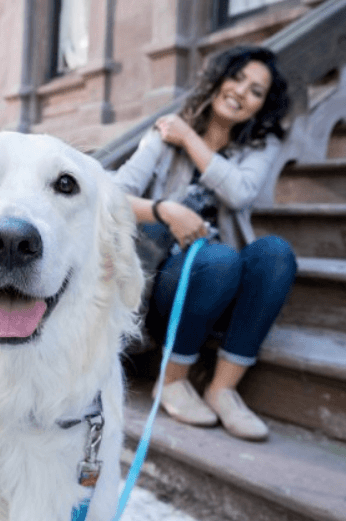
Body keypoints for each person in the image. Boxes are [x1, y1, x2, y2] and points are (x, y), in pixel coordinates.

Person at [114, 46, 297, 441]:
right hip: (169, 288)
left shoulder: (260, 145)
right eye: (237, 78)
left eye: (256, 91)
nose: (241, 92)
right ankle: (174, 379)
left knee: (276, 254)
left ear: (262, 106)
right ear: (218, 78)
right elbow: (108, 195)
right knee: (217, 261)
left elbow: (240, 192)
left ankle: (223, 389)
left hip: (225, 285)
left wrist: (190, 139)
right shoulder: (163, 137)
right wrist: (166, 211)